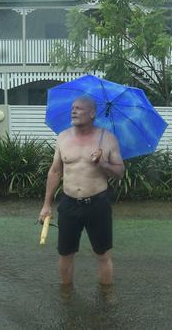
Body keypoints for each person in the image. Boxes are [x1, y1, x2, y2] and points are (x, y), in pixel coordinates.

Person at [39, 96, 125, 286]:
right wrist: (46, 205)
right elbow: (55, 171)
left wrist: (102, 163)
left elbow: (120, 173)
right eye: (72, 108)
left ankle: (106, 293)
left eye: (79, 108)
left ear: (92, 113)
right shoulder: (63, 137)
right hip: (69, 203)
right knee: (65, 253)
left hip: (97, 204)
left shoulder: (108, 139)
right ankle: (66, 293)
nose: (73, 111)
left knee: (103, 254)